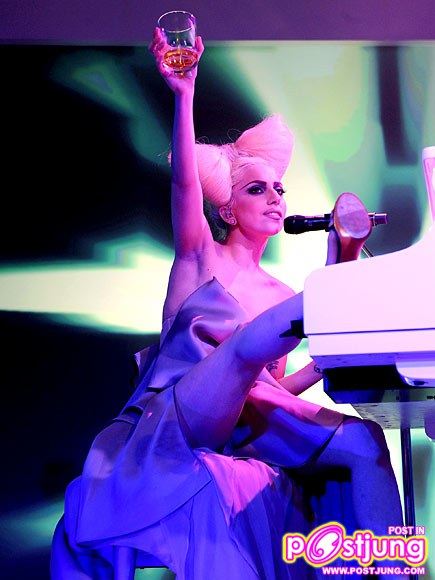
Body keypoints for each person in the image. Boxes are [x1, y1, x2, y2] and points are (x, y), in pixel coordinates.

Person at [51, 29, 406, 579]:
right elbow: (183, 188)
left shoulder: (282, 297)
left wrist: (321, 358)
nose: (276, 197)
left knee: (365, 440)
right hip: (175, 419)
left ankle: (393, 572)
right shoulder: (199, 258)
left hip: (245, 422)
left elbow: (272, 394)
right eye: (257, 189)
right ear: (227, 209)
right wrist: (183, 92)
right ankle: (338, 287)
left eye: (280, 188)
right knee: (243, 345)